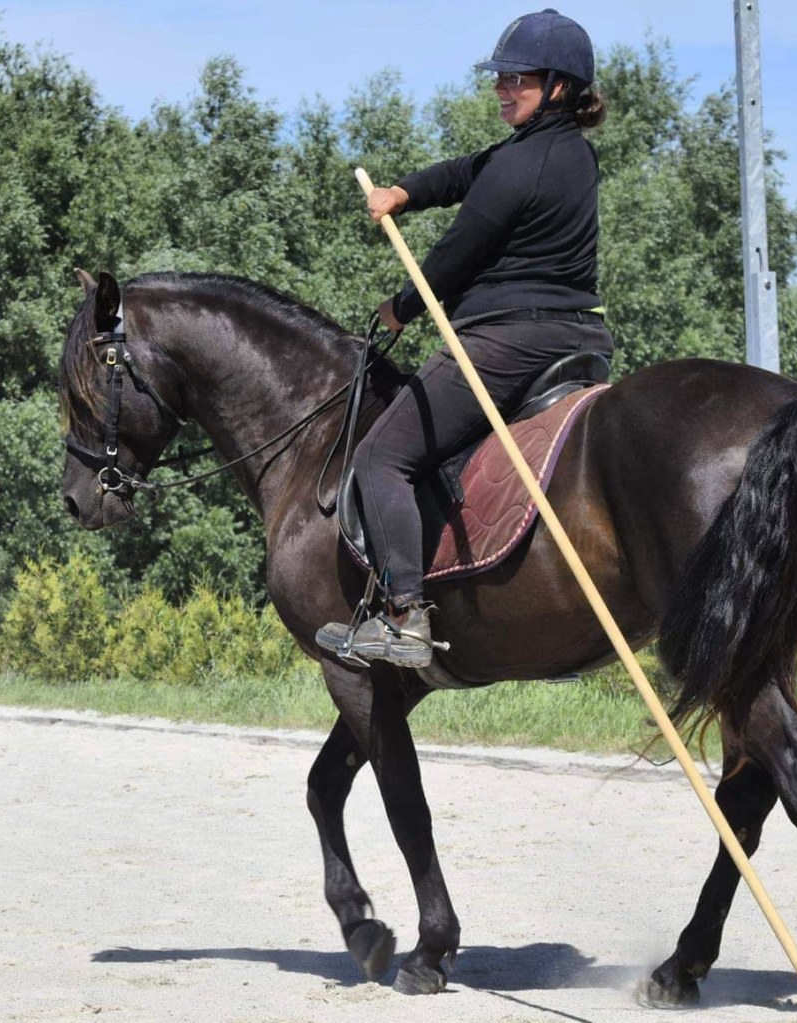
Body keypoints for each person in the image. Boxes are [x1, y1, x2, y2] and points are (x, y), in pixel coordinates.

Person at [317, 8, 615, 668]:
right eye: (500, 77)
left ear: (559, 86)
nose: (503, 88)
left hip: (507, 342)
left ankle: (403, 618)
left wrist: (400, 308)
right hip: (579, 337)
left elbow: (456, 256)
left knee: (381, 458)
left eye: (519, 79)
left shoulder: (521, 167)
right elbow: (467, 171)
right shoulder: (563, 154)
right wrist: (405, 192)